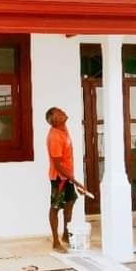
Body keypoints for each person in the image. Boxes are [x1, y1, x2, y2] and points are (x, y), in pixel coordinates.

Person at [45, 107, 87, 253]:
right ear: (54, 120)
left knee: (70, 203)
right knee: (55, 207)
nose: (63, 112)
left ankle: (65, 235)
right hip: (59, 178)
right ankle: (56, 242)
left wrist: (73, 180)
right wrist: (77, 183)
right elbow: (58, 165)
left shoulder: (63, 129)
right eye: (59, 112)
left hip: (67, 176)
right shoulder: (54, 137)